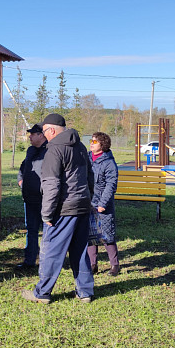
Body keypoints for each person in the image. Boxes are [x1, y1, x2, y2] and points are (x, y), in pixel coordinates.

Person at [21, 113, 95, 304]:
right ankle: (85, 292)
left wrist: (46, 213)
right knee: (80, 250)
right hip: (82, 206)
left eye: (44, 131)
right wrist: (88, 198)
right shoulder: (80, 146)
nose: (43, 135)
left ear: (51, 130)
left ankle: (42, 293)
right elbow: (90, 177)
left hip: (63, 209)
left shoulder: (54, 150)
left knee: (51, 252)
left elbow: (51, 185)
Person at [87, 132, 120, 276]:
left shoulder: (109, 163)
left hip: (103, 204)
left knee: (107, 235)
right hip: (88, 201)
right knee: (90, 235)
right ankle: (92, 264)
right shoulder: (87, 158)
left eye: (94, 141)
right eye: (91, 140)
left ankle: (114, 265)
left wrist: (103, 203)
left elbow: (111, 185)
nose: (91, 143)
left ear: (102, 145)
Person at [16, 123, 48, 269]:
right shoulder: (30, 151)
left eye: (32, 134)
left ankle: (47, 262)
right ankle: (29, 261)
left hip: (45, 199)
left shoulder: (50, 151)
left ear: (41, 135)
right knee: (31, 230)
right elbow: (23, 168)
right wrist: (20, 179)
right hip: (29, 199)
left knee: (48, 231)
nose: (29, 136)